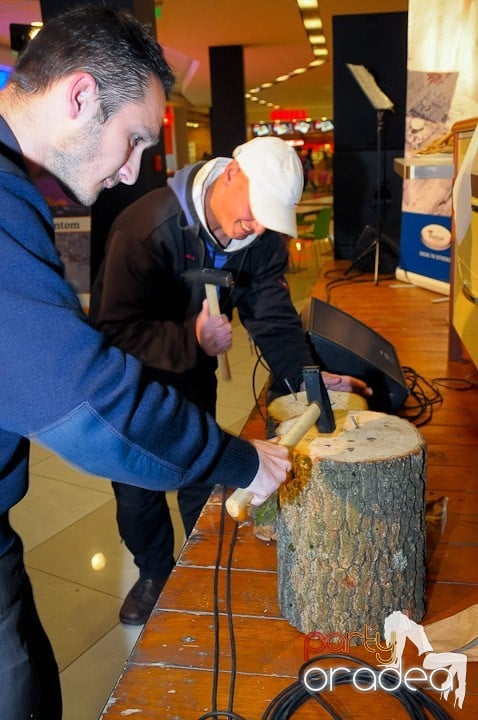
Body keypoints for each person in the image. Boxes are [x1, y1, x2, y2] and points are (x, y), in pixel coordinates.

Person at [0, 9, 293, 719]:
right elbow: (90, 397)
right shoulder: (87, 219)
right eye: (132, 139)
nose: (135, 169)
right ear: (78, 97)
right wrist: (236, 457)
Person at [89, 136, 372, 626]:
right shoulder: (146, 227)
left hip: (195, 379)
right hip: (130, 386)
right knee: (138, 492)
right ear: (230, 175)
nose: (257, 226)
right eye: (253, 211)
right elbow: (113, 331)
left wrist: (308, 381)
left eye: (267, 219)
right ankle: (154, 573)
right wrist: (189, 340)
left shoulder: (259, 241)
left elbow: (273, 317)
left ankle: (201, 567)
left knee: (202, 473)